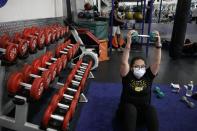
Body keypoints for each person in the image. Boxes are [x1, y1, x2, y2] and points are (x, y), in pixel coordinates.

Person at [116, 30, 161, 131]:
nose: (140, 69)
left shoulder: (148, 75)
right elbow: (124, 62)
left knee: (151, 109)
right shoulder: (127, 75)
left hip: (142, 112)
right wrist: (128, 43)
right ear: (131, 68)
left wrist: (158, 44)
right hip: (127, 112)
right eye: (137, 66)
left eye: (142, 66)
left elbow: (157, 62)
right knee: (131, 109)